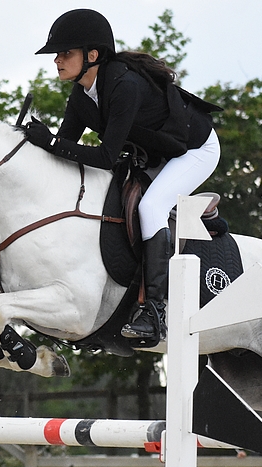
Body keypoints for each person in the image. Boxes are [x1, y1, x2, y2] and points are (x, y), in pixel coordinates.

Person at [26, 8, 222, 345]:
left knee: (151, 208)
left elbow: (104, 156)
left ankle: (154, 311)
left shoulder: (123, 85)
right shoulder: (81, 96)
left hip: (195, 149)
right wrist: (31, 145)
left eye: (65, 53)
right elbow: (64, 149)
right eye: (57, 54)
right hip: (156, 153)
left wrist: (53, 143)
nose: (56, 60)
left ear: (93, 55)